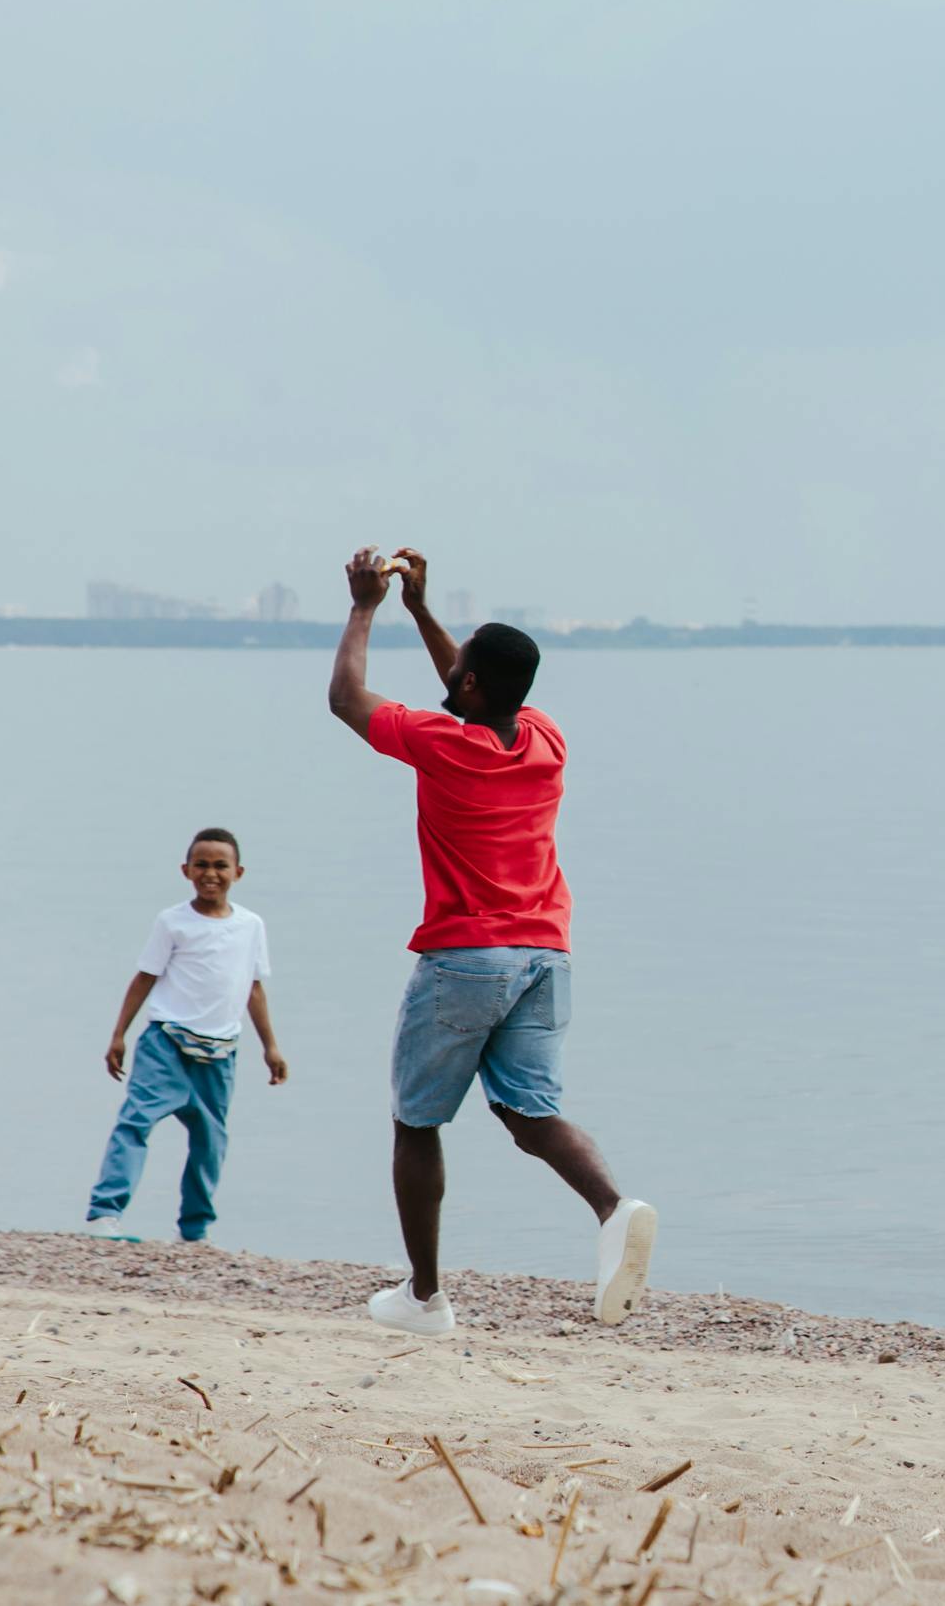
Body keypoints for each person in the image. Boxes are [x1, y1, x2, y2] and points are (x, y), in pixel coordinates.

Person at [328, 546, 656, 1338]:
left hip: (467, 958)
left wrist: (367, 605)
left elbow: (346, 699)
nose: (454, 671)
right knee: (530, 1116)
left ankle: (427, 1298)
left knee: (417, 1121)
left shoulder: (444, 744)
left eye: (462, 665)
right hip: (546, 957)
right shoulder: (544, 738)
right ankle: (615, 1208)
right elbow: (470, 686)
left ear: (469, 684)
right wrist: (422, 611)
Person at [86, 828, 286, 1242]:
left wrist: (270, 1046)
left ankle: (194, 1230)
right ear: (186, 870)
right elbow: (145, 977)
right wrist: (119, 1034)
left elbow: (253, 987)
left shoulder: (250, 926)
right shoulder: (173, 922)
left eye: (220, 866)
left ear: (238, 872)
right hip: (167, 1042)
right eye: (201, 865)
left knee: (210, 1140)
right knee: (136, 1122)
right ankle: (105, 1215)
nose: (210, 874)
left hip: (221, 1052)